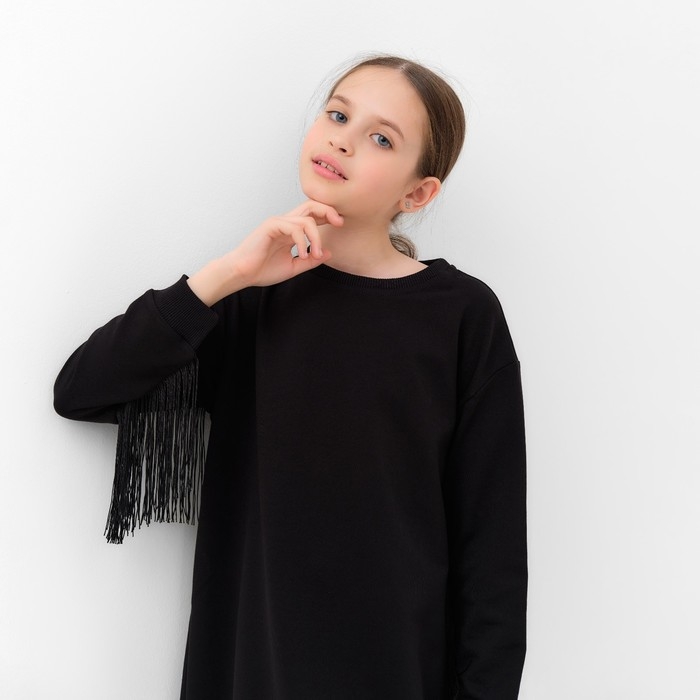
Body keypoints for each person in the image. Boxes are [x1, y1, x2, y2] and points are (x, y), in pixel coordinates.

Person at [54, 53, 528, 699]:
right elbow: (82, 391)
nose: (343, 139)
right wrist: (227, 275)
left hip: (398, 668)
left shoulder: (461, 315)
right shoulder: (252, 299)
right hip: (252, 662)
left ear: (417, 193)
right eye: (337, 115)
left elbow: (492, 546)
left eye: (381, 138)